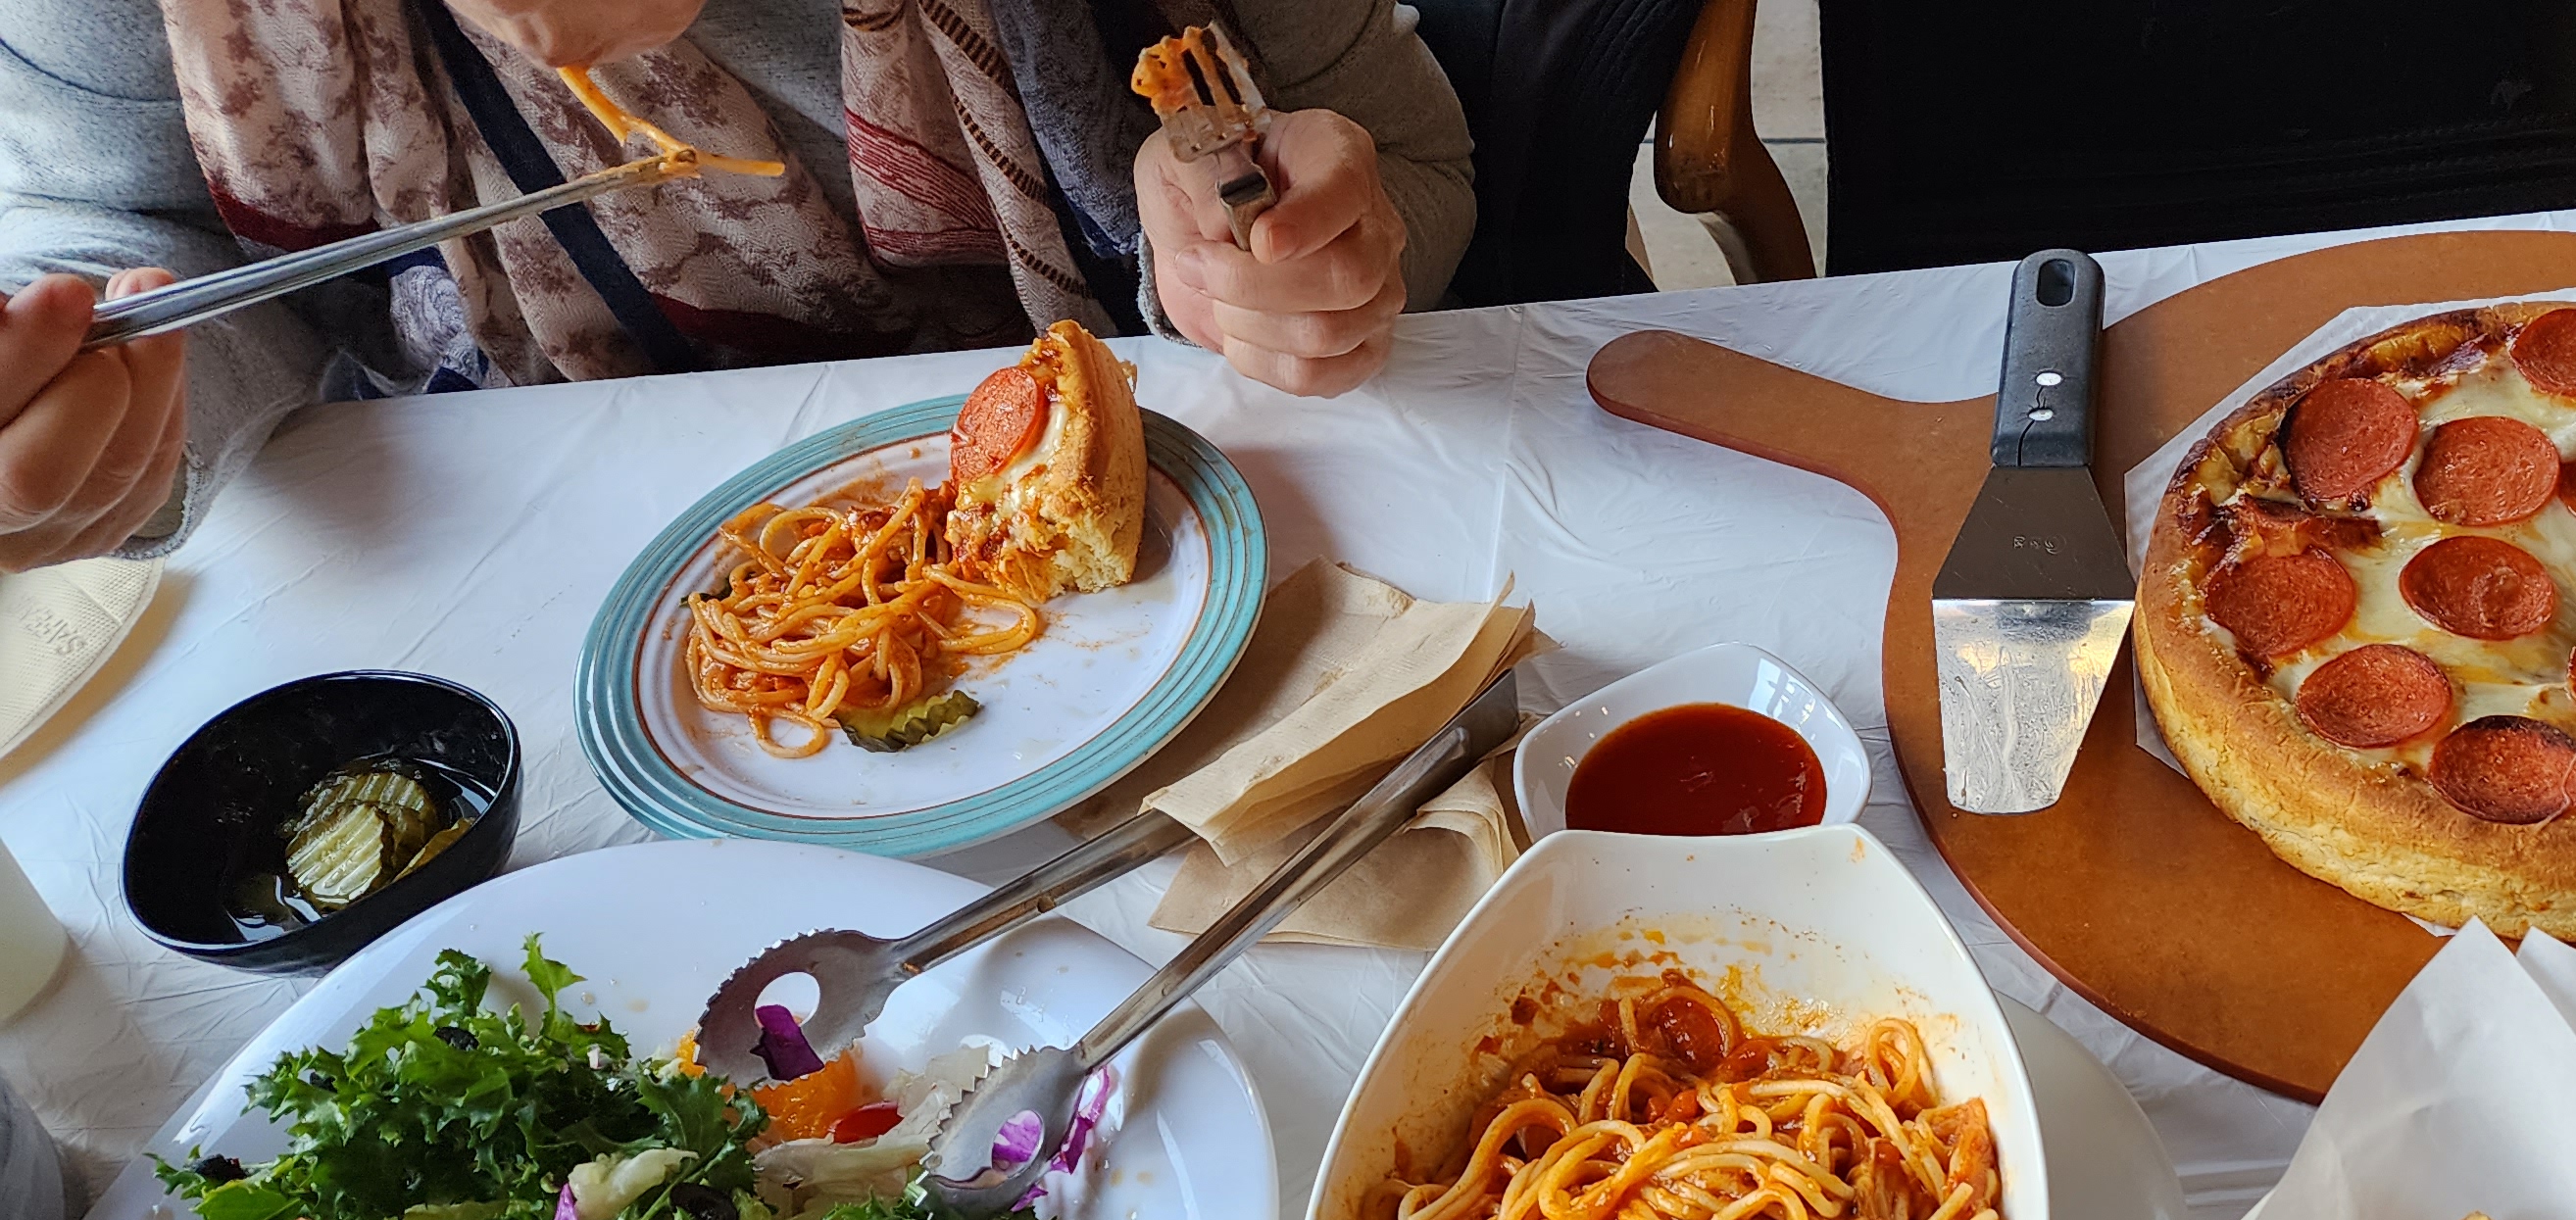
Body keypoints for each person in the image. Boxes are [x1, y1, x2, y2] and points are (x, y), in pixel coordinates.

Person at [0, 0, 1473, 570]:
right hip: (507, 570)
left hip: (1164, 560)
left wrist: (1268, 270)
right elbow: (118, 237)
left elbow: (1412, 160)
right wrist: (88, 420)